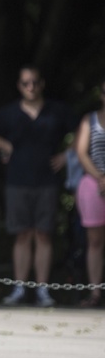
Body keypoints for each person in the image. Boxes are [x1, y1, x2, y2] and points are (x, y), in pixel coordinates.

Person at [0, 66, 78, 307]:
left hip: (47, 182)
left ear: (41, 84)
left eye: (34, 82)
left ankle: (42, 290)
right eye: (25, 83)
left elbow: (84, 130)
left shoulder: (57, 110)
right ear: (19, 86)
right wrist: (6, 145)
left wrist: (67, 155)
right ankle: (20, 288)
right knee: (22, 235)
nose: (30, 87)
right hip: (17, 181)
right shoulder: (10, 113)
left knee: (43, 234)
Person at [73, 80, 105, 307]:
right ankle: (95, 292)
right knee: (95, 241)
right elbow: (81, 153)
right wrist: (101, 177)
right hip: (95, 184)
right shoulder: (89, 120)